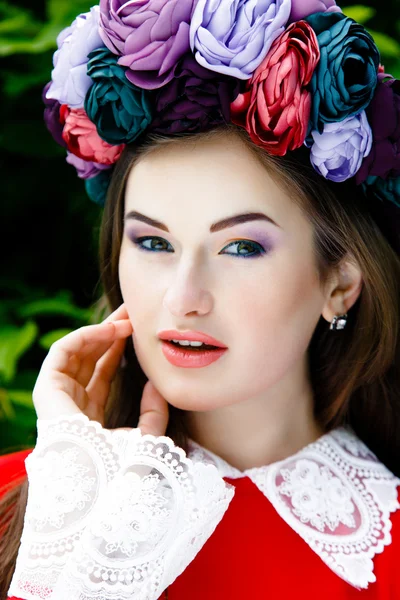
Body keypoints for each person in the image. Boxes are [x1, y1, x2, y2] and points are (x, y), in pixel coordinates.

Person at [1, 0, 400, 598]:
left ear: (339, 284)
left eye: (240, 248)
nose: (183, 298)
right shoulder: (26, 502)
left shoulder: (386, 546)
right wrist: (72, 505)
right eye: (153, 241)